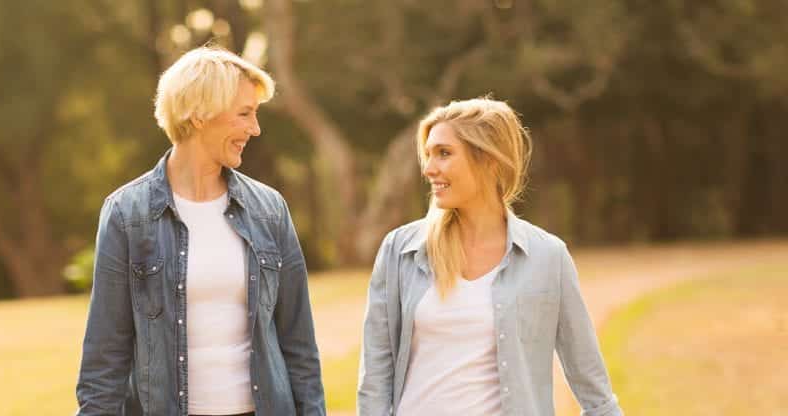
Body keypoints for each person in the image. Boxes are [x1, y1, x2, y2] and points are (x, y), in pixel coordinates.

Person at [76, 46, 326, 416]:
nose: (255, 129)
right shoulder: (127, 214)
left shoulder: (270, 210)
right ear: (198, 114)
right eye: (244, 113)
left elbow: (299, 346)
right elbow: (105, 359)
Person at [357, 97, 623, 416]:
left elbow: (594, 389)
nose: (428, 169)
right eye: (428, 154)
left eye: (444, 153)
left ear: (489, 159)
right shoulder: (400, 250)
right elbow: (375, 379)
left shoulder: (548, 257)